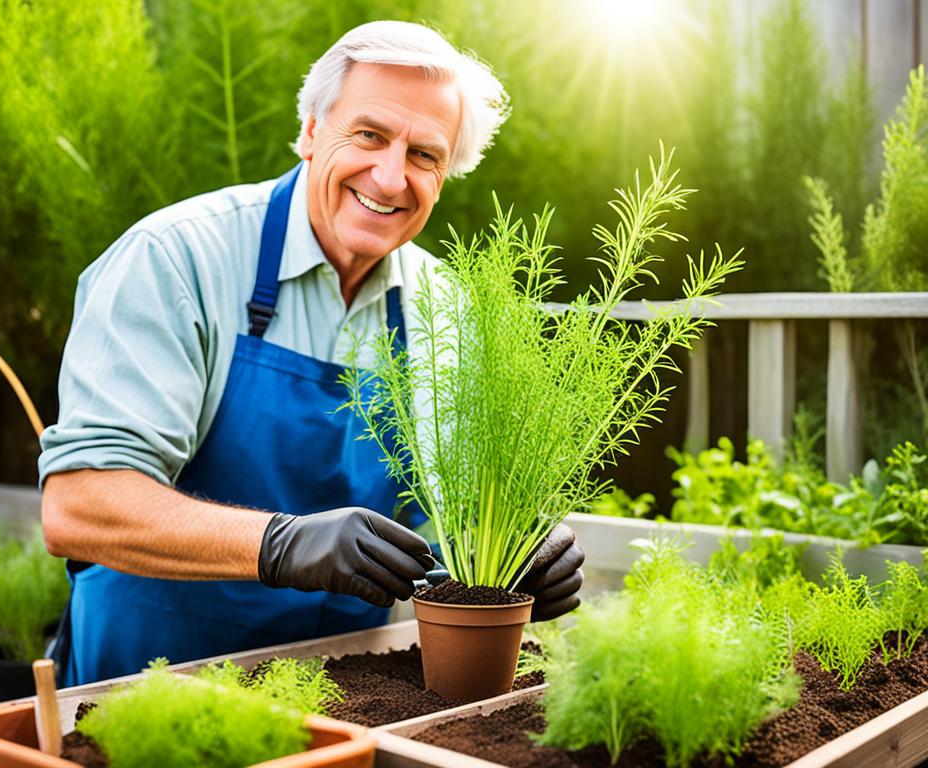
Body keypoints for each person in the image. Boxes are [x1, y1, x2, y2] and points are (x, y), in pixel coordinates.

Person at [39, 20, 584, 688]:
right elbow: (80, 504)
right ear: (309, 132)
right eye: (369, 135)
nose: (390, 177)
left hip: (343, 702)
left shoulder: (449, 310)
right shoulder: (178, 260)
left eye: (424, 155)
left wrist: (520, 555)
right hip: (147, 693)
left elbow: (450, 518)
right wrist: (280, 542)